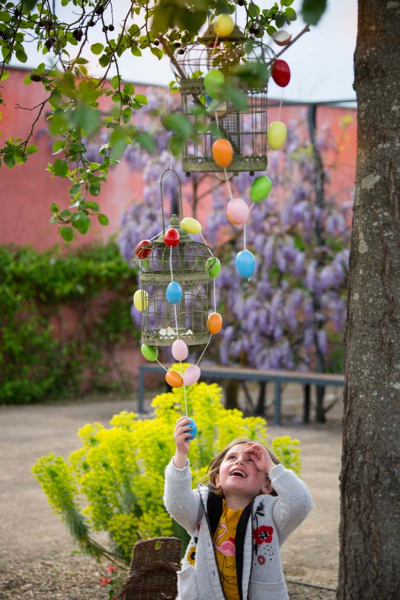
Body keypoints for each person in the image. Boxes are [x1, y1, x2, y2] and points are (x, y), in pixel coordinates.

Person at [164, 417, 314, 600]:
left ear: (267, 485)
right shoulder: (202, 507)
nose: (239, 462)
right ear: (218, 479)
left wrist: (271, 467)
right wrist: (181, 453)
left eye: (251, 461)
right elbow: (175, 502)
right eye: (232, 458)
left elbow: (300, 503)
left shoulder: (272, 514)